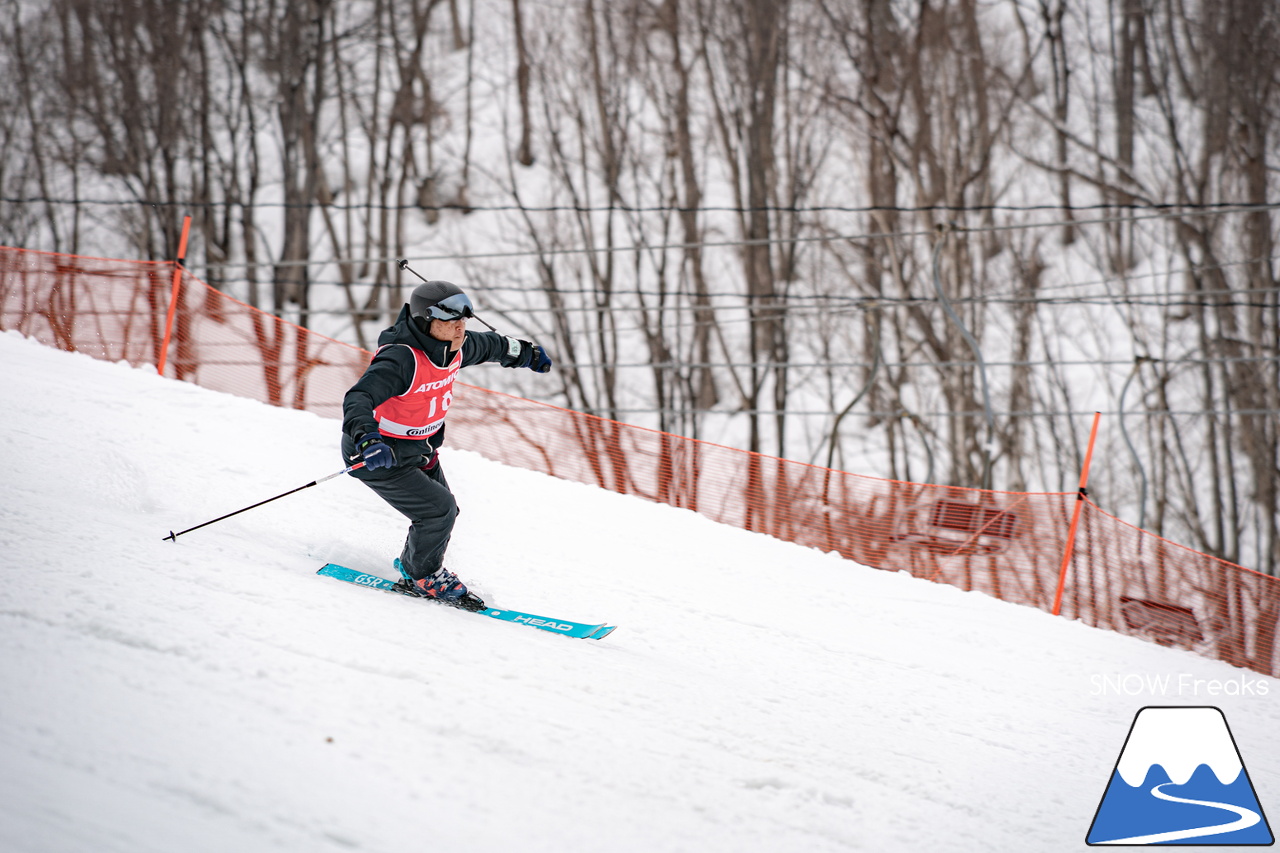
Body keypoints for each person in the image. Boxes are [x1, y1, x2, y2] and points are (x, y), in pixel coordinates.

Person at [341, 280, 552, 611]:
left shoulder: (457, 345)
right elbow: (359, 397)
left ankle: (412, 564)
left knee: (445, 511)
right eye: (451, 321)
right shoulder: (402, 358)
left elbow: (495, 345)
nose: (460, 328)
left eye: (464, 321)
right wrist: (368, 439)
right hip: (379, 453)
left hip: (419, 448)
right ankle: (422, 575)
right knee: (437, 510)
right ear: (426, 322)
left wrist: (527, 353)